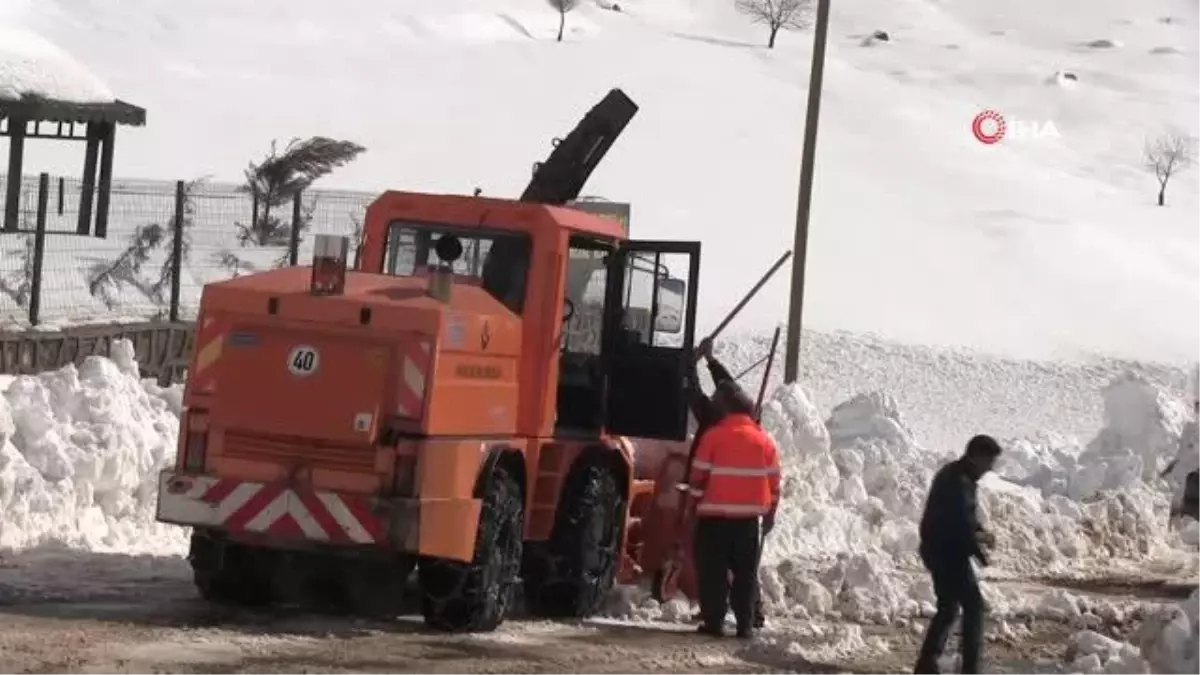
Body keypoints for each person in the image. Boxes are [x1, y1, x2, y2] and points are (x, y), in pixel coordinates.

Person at [682, 338, 768, 629]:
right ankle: (749, 620)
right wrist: (711, 361)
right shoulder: (756, 428)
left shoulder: (712, 427)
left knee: (713, 569)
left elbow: (693, 393)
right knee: (746, 570)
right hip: (748, 518)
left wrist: (691, 366)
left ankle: (714, 620)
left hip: (714, 512)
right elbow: (730, 388)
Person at [912, 435, 1002, 675]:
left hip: (941, 550)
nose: (990, 468)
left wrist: (979, 533)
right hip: (947, 553)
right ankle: (970, 668)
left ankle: (927, 664)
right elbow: (960, 524)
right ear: (976, 457)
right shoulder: (958, 480)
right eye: (989, 462)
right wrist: (979, 548)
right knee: (974, 605)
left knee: (949, 607)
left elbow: (966, 520)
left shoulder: (960, 476)